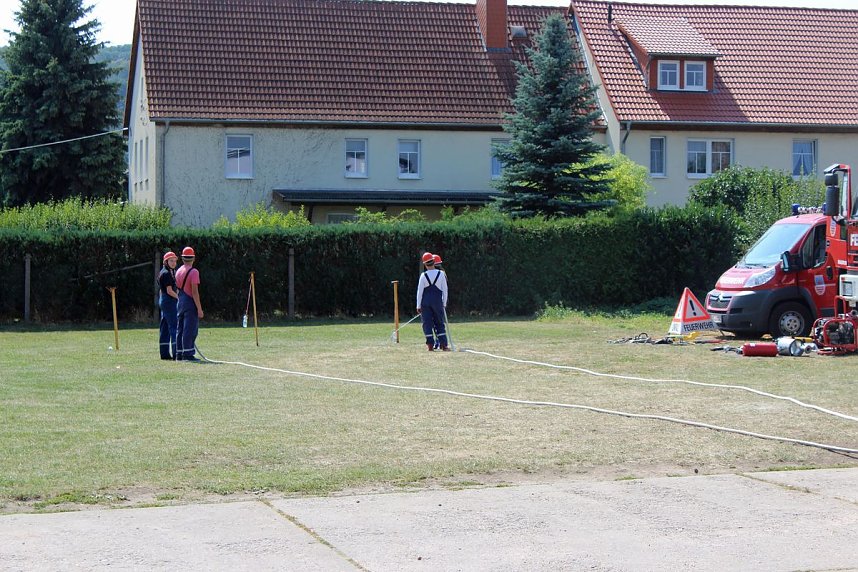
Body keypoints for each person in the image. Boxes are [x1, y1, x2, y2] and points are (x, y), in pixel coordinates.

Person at [175, 246, 204, 361]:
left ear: (182, 258)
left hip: (180, 301)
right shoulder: (194, 272)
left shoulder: (179, 270)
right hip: (190, 302)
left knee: (180, 328)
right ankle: (188, 354)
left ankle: (179, 353)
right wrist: (200, 309)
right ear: (193, 258)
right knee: (190, 329)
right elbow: (195, 292)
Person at [416, 252, 449, 351]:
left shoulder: (423, 275)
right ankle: (443, 344)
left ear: (425, 264)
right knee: (439, 323)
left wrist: (418, 305)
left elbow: (419, 292)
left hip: (425, 303)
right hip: (437, 302)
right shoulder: (441, 274)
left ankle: (430, 345)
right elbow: (445, 290)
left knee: (427, 323)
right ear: (434, 262)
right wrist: (444, 303)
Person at [158, 251, 179, 360]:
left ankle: (164, 353)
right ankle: (176, 353)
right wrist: (179, 298)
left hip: (164, 300)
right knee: (174, 326)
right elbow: (169, 291)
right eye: (171, 261)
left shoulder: (166, 271)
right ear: (166, 262)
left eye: (175, 261)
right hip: (169, 300)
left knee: (165, 327)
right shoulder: (166, 273)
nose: (173, 263)